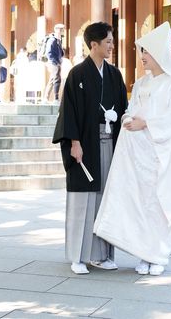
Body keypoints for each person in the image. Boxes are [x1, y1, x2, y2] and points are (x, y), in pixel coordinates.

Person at [94, 22, 171, 276]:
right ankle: (144, 253)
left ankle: (158, 255)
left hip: (158, 153)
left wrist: (145, 123)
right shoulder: (142, 83)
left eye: (146, 52)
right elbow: (130, 109)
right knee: (139, 202)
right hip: (138, 152)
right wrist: (127, 119)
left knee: (157, 203)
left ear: (158, 53)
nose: (142, 57)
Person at [52, 21, 127, 275]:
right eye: (108, 42)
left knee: (106, 199)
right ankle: (79, 256)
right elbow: (69, 112)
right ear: (93, 45)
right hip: (85, 145)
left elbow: (124, 108)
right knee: (83, 200)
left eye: (112, 41)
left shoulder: (115, 75)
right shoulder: (77, 74)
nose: (112, 46)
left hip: (109, 144)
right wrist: (74, 143)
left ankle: (102, 255)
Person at [42, 24, 65, 103]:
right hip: (53, 62)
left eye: (62, 30)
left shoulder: (58, 40)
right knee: (57, 79)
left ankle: (46, 98)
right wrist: (55, 62)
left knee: (52, 80)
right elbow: (49, 53)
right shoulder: (52, 40)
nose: (62, 31)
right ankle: (56, 98)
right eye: (60, 30)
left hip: (57, 62)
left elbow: (60, 52)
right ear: (56, 30)